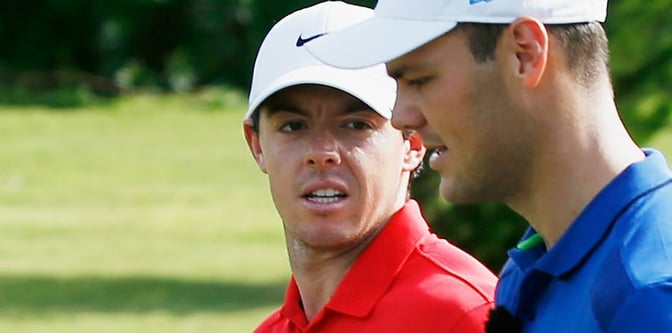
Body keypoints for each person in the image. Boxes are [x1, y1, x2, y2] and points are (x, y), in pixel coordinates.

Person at [305, 0, 672, 332]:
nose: (401, 117)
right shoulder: (530, 267)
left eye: (419, 80)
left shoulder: (651, 296)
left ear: (524, 54)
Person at [243, 2, 498, 332]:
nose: (322, 153)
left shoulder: (465, 315)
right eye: (293, 126)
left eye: (355, 125)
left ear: (413, 143)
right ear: (257, 144)